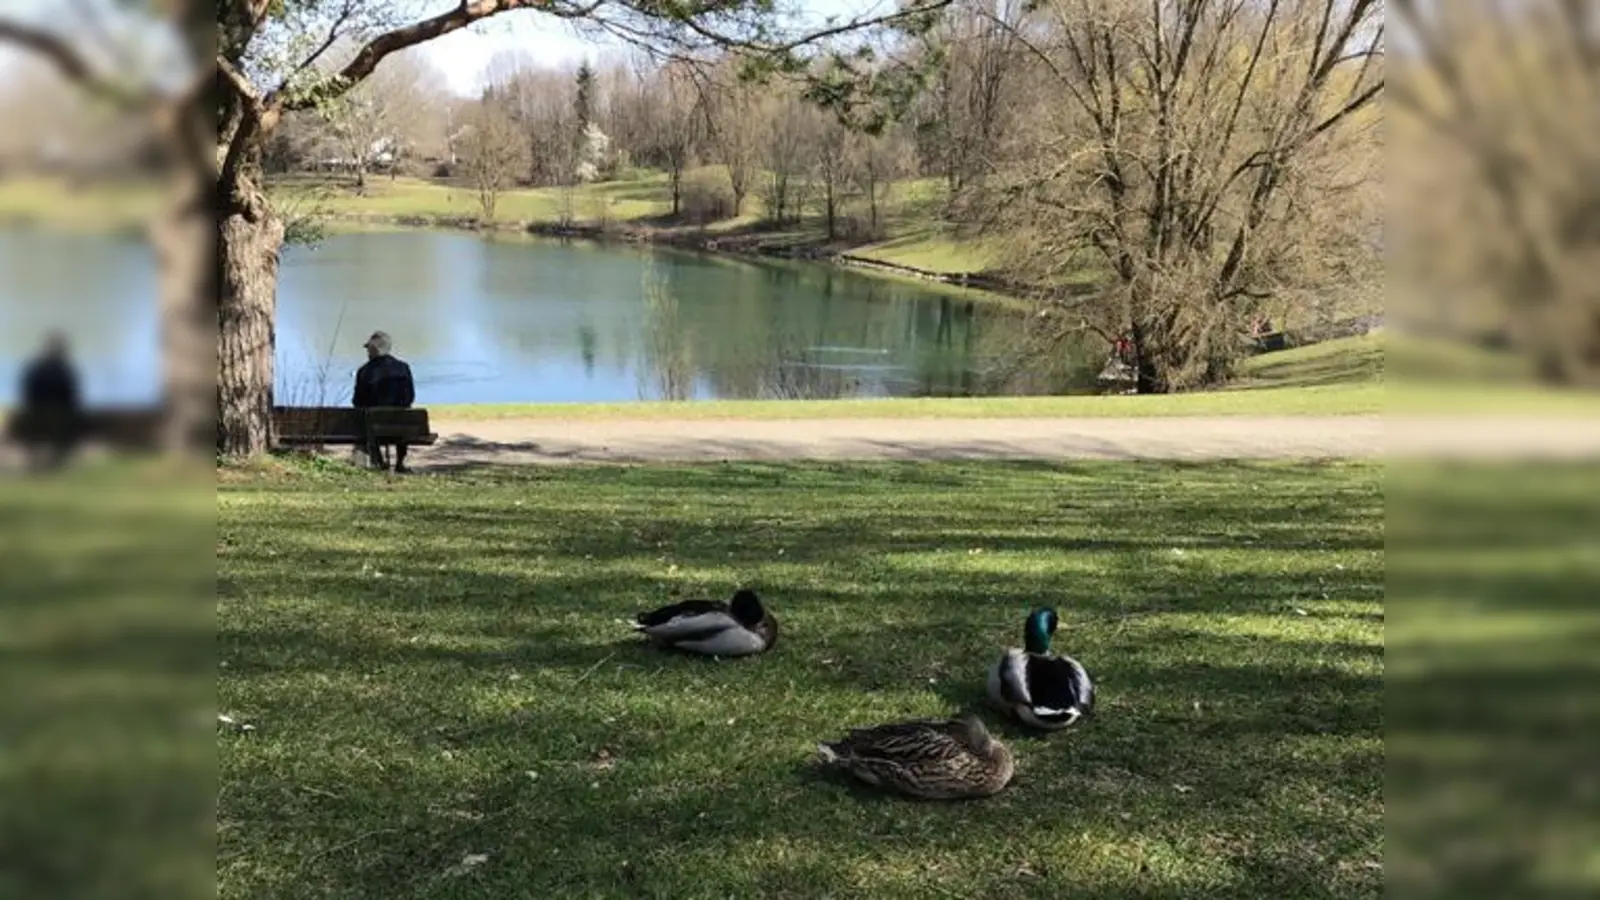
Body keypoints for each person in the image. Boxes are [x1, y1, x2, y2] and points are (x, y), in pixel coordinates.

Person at [15, 331, 84, 471]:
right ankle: (58, 459)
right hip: (57, 415)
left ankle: (35, 459)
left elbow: (27, 392)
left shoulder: (35, 367)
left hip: (35, 412)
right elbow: (71, 397)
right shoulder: (65, 370)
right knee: (69, 425)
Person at [352, 330, 416, 473]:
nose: (367, 352)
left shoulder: (364, 371)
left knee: (367, 422)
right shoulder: (403, 368)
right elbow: (409, 397)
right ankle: (400, 462)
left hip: (372, 427)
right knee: (403, 418)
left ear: (374, 350)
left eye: (368, 349)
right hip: (400, 427)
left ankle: (379, 461)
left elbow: (357, 401)